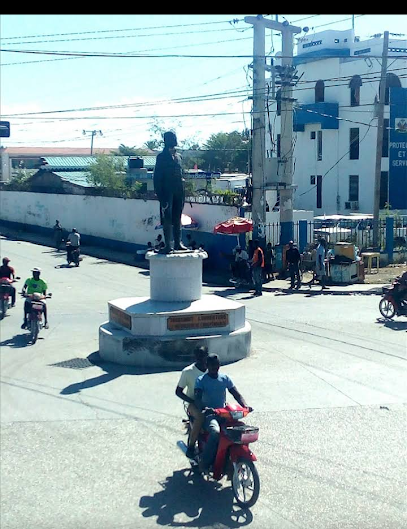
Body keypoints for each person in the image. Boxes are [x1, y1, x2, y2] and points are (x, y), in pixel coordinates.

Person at [194, 354, 251, 473]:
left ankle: (234, 457)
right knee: (215, 432)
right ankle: (204, 462)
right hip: (210, 415)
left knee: (241, 430)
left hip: (224, 414)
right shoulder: (201, 380)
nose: (215, 367)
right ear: (207, 365)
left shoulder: (225, 378)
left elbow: (236, 394)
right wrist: (206, 408)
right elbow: (197, 399)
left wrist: (245, 406)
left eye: (217, 364)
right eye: (212, 365)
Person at [153, 131, 187, 254]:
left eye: (175, 137)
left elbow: (182, 174)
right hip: (167, 190)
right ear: (166, 140)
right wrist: (161, 196)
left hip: (179, 190)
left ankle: (178, 243)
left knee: (177, 217)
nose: (175, 140)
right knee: (167, 217)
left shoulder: (179, 157)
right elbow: (156, 178)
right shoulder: (161, 157)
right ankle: (168, 245)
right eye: (172, 138)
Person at [175, 346, 209, 459]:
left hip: (210, 403)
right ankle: (191, 447)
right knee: (200, 417)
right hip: (192, 404)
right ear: (195, 357)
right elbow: (178, 391)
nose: (201, 359)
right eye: (199, 357)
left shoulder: (212, 368)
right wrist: (192, 401)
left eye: (203, 356)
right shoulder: (188, 371)